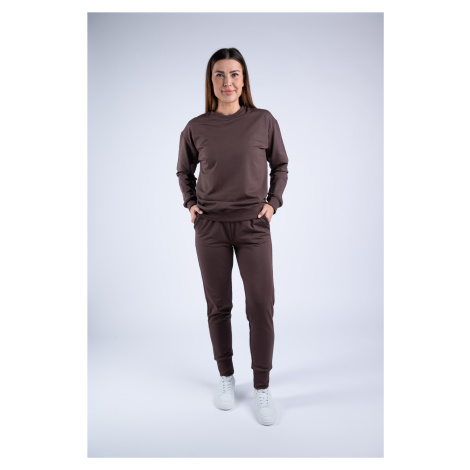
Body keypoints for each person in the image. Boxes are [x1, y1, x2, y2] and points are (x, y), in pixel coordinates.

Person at [176, 47, 289, 426]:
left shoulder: (263, 120)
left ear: (244, 80)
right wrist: (190, 203)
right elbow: (183, 171)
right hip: (211, 229)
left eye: (234, 74)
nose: (228, 82)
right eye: (220, 74)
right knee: (218, 305)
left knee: (260, 306)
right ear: (211, 81)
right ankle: (226, 378)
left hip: (253, 227)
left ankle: (261, 386)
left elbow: (281, 165)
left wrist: (273, 203)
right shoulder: (196, 127)